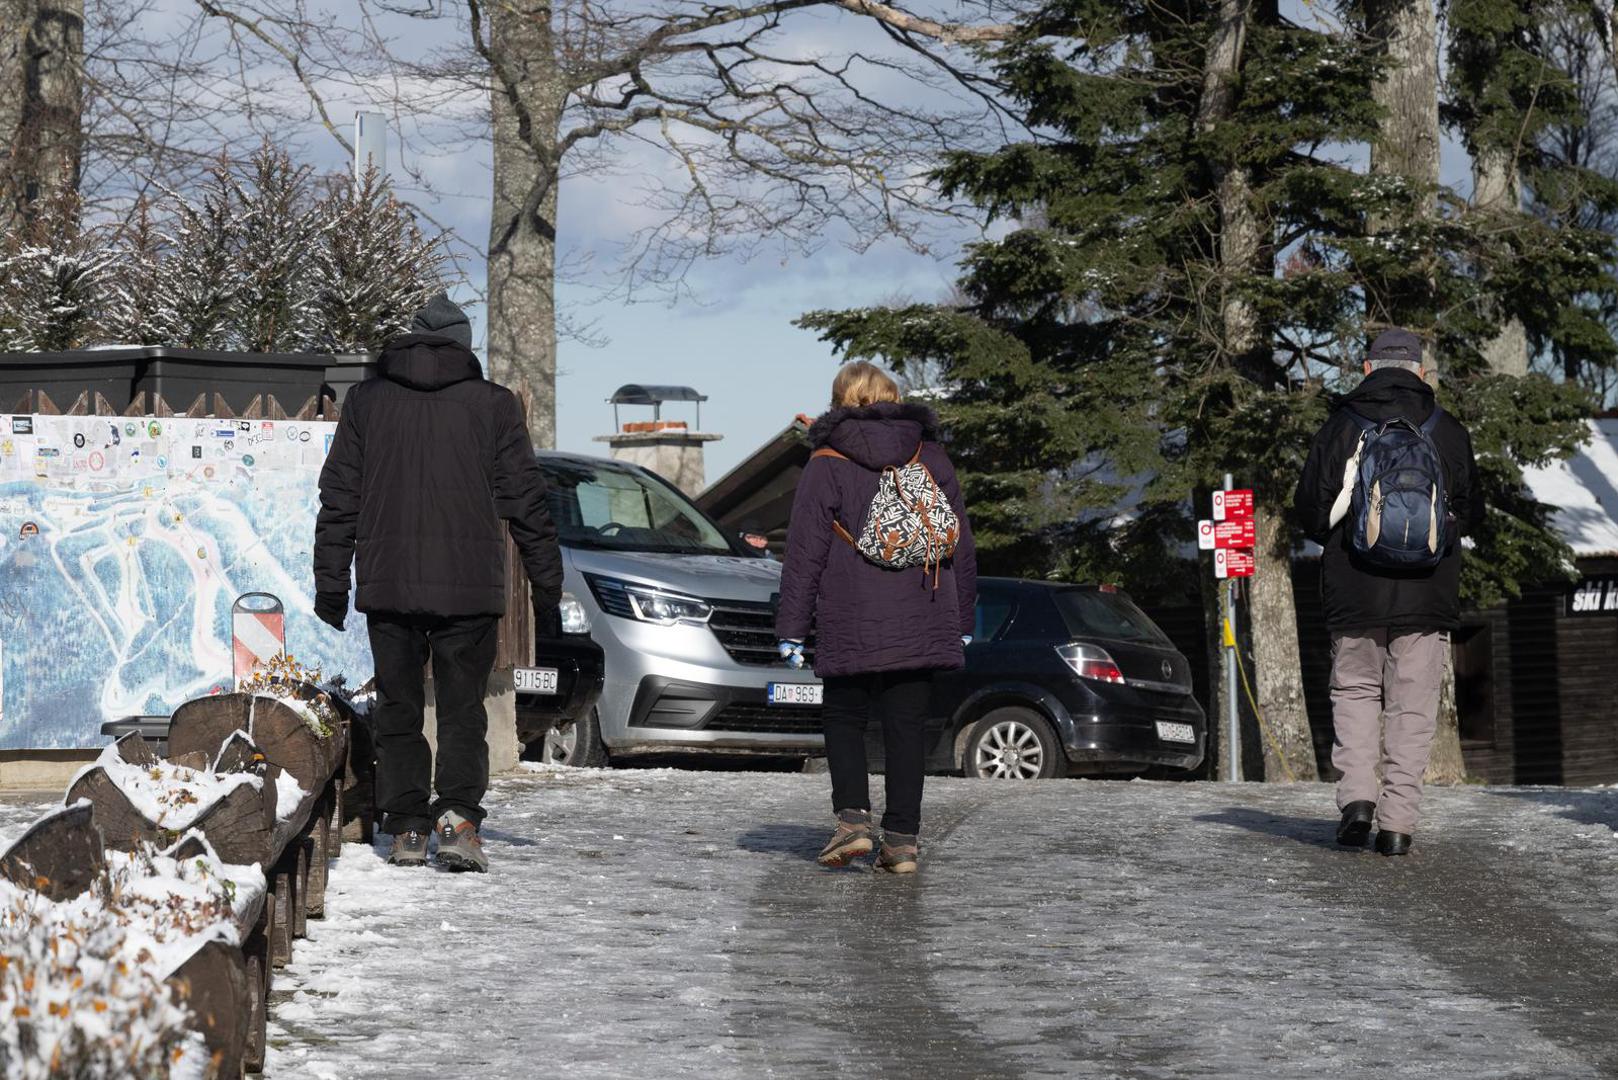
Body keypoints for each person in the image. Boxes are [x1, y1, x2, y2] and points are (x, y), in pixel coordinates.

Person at [313, 293, 563, 873]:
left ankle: (404, 826)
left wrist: (332, 582)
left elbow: (339, 497)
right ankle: (455, 820)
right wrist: (548, 586)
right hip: (468, 587)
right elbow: (527, 501)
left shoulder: (367, 402)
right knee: (461, 711)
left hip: (390, 583)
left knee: (399, 707)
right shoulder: (494, 406)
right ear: (464, 346)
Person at [775, 361, 977, 874]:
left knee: (844, 717)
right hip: (924, 611)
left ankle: (853, 825)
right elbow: (961, 543)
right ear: (892, 397)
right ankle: (902, 842)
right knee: (906, 726)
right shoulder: (930, 455)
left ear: (841, 400)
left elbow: (805, 552)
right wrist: (963, 618)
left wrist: (792, 628)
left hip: (850, 614)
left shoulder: (825, 460)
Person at [1294, 329, 1481, 857]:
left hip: (1354, 588)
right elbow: (1471, 512)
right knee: (1412, 708)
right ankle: (1397, 825)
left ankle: (1357, 801)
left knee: (1354, 692)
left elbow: (1310, 511)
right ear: (1421, 371)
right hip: (1427, 593)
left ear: (1366, 368)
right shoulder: (1447, 430)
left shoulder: (1341, 426)